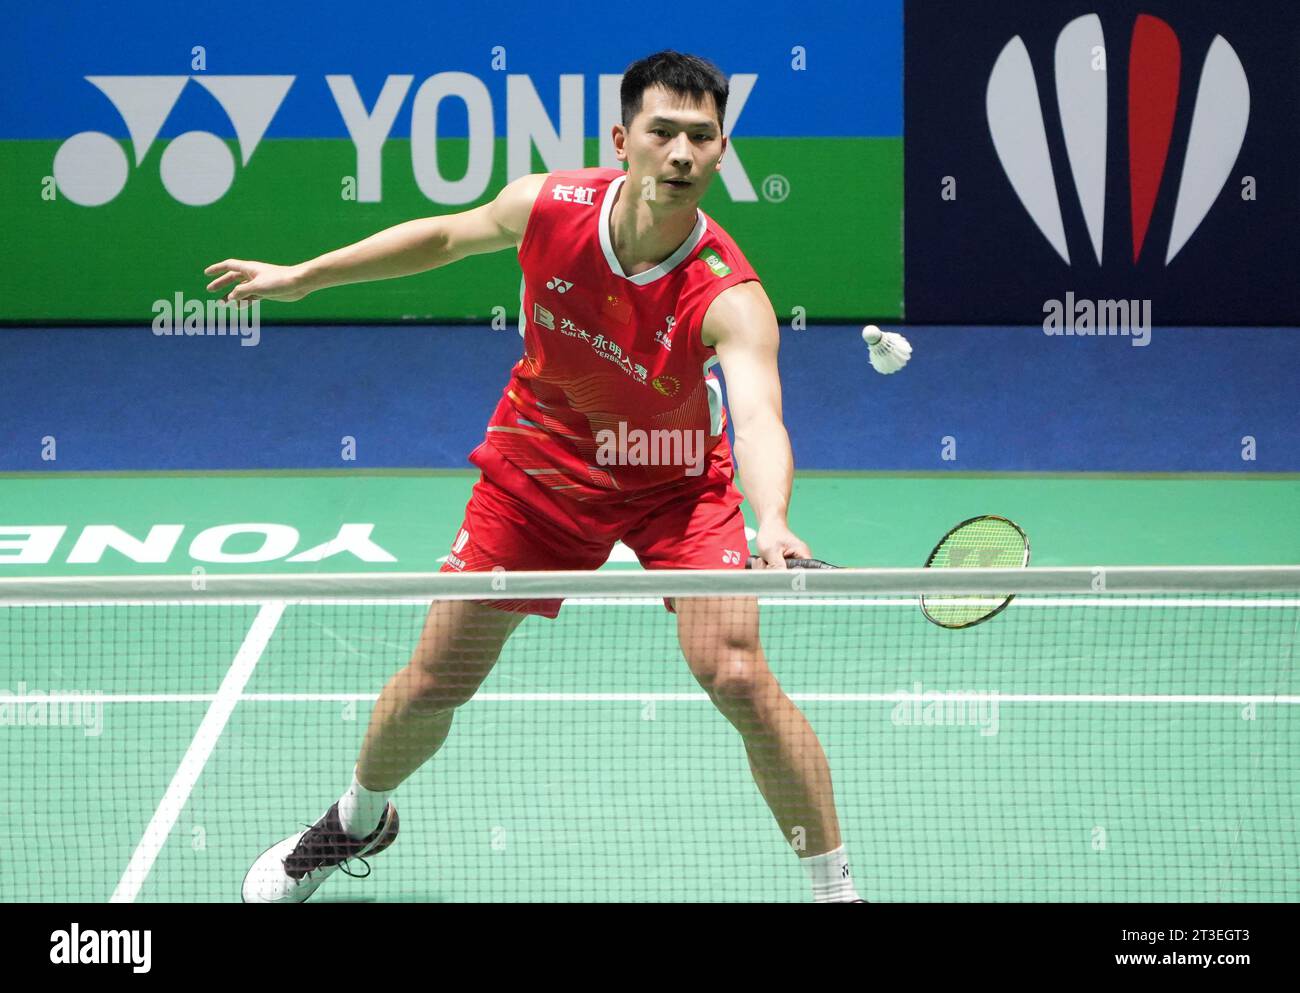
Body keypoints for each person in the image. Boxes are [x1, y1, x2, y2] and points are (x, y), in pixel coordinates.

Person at [208, 50, 864, 904]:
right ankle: (356, 816)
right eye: (663, 132)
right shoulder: (549, 206)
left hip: (672, 482)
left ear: (721, 152)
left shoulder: (728, 294)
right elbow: (444, 234)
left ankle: (836, 891)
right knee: (437, 680)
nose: (680, 153)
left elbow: (759, 415)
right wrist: (305, 276)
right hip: (540, 466)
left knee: (735, 671)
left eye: (702, 138)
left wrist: (771, 519)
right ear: (624, 138)